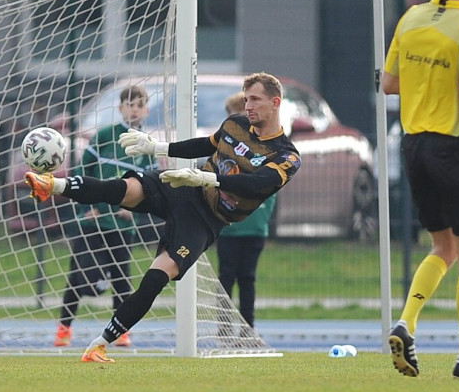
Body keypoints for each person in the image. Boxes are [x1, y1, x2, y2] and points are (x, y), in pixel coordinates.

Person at [25, 72, 300, 363]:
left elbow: (257, 184)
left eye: (255, 100)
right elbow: (206, 145)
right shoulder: (236, 124)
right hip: (185, 188)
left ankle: (99, 344)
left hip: (206, 220)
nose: (248, 106)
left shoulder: (286, 155)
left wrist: (207, 178)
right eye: (245, 99)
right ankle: (52, 185)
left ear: (275, 102)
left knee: (156, 278)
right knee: (125, 189)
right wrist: (157, 148)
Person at [382, 0, 459, 380]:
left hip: (414, 145)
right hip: (454, 148)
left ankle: (407, 321)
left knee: (442, 248)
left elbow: (389, 84)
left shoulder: (410, 19)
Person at [53, 84, 156, 348]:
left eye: (139, 104)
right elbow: (83, 172)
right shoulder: (105, 137)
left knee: (122, 279)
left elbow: (153, 187)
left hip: (121, 226)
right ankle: (64, 327)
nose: (134, 109)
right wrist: (86, 206)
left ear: (146, 109)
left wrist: (133, 208)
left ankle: (121, 331)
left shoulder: (148, 147)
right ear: (120, 108)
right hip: (93, 222)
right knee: (79, 277)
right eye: (129, 104)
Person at [215, 91, 276, 333]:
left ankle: (247, 327)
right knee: (226, 276)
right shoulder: (223, 148)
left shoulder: (264, 148)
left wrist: (260, 214)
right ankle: (224, 326)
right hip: (229, 228)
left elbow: (271, 187)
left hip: (254, 227)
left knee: (248, 278)